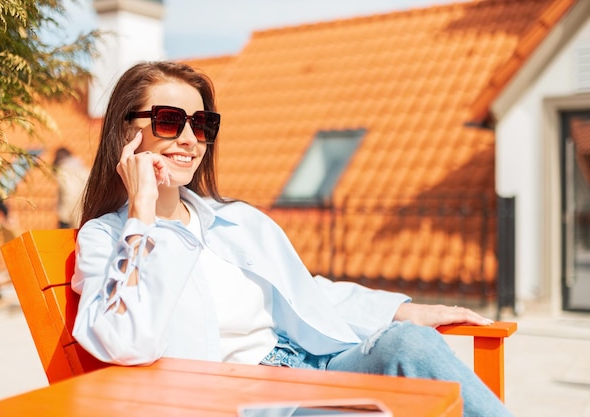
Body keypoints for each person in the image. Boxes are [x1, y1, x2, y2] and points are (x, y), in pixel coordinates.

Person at [71, 61, 514, 417]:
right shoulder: (107, 237)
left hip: (311, 364)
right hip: (253, 399)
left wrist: (405, 310)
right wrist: (144, 215)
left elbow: (304, 292)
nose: (190, 139)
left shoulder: (235, 220)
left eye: (202, 124)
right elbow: (125, 341)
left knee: (409, 342)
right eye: (169, 121)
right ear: (128, 133)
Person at [52, 147, 90, 229]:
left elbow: (68, 193)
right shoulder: (84, 169)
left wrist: (64, 216)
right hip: (85, 212)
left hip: (70, 214)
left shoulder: (63, 172)